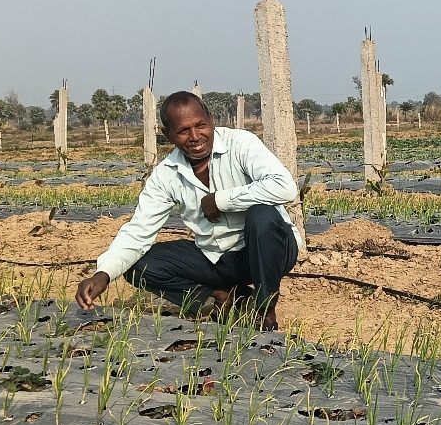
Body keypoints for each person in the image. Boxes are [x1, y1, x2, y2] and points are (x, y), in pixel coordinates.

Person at [75, 91, 301, 330]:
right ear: (168, 135)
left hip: (266, 252)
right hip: (215, 258)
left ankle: (265, 308)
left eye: (200, 125)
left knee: (262, 216)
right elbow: (139, 230)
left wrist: (221, 200)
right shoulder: (166, 174)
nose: (195, 136)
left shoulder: (241, 144)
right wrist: (104, 274)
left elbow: (285, 188)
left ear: (211, 120)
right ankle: (223, 297)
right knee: (138, 265)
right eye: (183, 131)